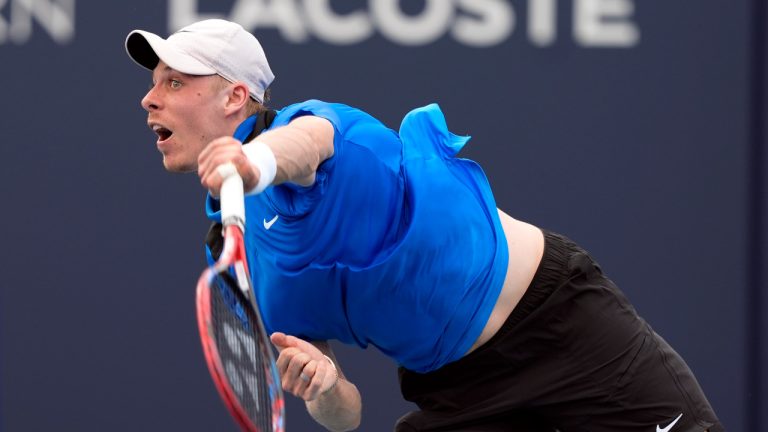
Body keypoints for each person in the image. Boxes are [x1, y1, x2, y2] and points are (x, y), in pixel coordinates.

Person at [125, 19, 724, 432]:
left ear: (235, 97)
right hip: (460, 394)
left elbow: (302, 148)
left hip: (564, 326)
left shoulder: (317, 125)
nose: (151, 100)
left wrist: (251, 163)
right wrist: (326, 385)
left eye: (175, 82)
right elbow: (345, 415)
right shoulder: (235, 254)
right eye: (152, 85)